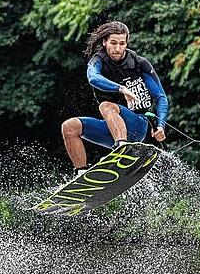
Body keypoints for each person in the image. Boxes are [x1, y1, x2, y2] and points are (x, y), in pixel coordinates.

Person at [61, 21, 169, 176]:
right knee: (69, 127)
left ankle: (122, 150)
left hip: (137, 124)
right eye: (113, 43)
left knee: (106, 106)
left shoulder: (139, 63)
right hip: (112, 129)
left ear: (126, 43)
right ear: (104, 42)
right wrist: (121, 88)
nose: (118, 48)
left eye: (122, 43)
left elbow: (160, 97)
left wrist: (160, 126)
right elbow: (93, 78)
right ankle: (81, 172)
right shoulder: (97, 61)